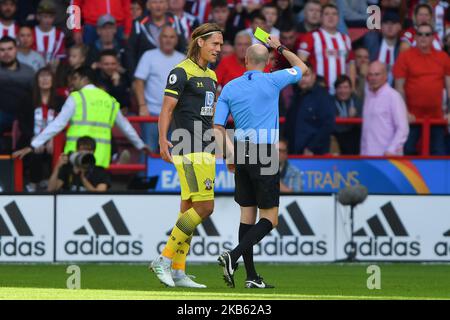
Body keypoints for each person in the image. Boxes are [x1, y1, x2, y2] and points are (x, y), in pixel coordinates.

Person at [214, 36, 308, 288]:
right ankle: (232, 257)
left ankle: (252, 277)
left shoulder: (230, 87)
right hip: (264, 151)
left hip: (240, 149)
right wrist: (279, 46)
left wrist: (230, 155)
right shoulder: (273, 79)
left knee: (247, 216)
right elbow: (303, 67)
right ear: (267, 63)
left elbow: (217, 128)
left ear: (245, 61)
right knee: (270, 219)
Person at [149, 23, 223, 288]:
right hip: (188, 144)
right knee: (205, 207)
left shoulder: (212, 76)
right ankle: (164, 259)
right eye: (215, 43)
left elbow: (209, 113)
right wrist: (162, 139)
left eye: (221, 45)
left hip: (205, 145)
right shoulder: (180, 72)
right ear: (200, 42)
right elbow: (166, 109)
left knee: (188, 208)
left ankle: (179, 269)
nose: (218, 49)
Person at [13, 66, 150, 168]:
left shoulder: (76, 97)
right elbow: (125, 126)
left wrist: (33, 145)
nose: (72, 82)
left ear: (84, 79)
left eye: (75, 78)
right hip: (102, 156)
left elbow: (58, 124)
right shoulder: (109, 99)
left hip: (76, 155)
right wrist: (141, 145)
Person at [394, 23, 450, 155]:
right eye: (420, 34)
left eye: (427, 34)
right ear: (415, 37)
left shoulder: (443, 57)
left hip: (437, 116)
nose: (423, 37)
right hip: (412, 117)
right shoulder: (404, 57)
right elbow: (399, 88)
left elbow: (449, 87)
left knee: (439, 153)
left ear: (432, 38)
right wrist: (405, 112)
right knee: (407, 152)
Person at [133, 25, 185, 153]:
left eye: (171, 37)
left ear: (176, 40)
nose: (168, 40)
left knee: (174, 153)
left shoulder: (183, 59)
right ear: (159, 39)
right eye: (165, 36)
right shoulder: (149, 56)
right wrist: (142, 105)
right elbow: (138, 82)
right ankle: (145, 175)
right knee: (148, 151)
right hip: (152, 113)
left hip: (175, 115)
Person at [298, 3, 356, 95]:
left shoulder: (346, 39)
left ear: (338, 18)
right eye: (327, 14)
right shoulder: (310, 37)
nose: (331, 17)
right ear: (320, 18)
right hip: (317, 91)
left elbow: (350, 65)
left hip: (341, 93)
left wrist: (351, 88)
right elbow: (301, 63)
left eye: (334, 14)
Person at [285, 62, 335, 155]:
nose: (303, 79)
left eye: (306, 75)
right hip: (294, 152)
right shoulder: (296, 96)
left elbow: (328, 125)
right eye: (300, 76)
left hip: (315, 154)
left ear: (314, 76)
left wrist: (311, 147)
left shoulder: (323, 96)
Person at [27, 66, 64, 192]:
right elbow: (23, 123)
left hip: (54, 138)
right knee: (34, 150)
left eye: (48, 76)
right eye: (41, 76)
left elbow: (62, 122)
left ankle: (50, 181)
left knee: (55, 149)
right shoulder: (28, 99)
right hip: (31, 136)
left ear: (53, 80)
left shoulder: (61, 100)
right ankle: (33, 182)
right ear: (36, 80)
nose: (45, 79)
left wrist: (53, 139)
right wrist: (34, 139)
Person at [361, 61, 409, 156]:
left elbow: (403, 128)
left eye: (377, 74)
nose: (373, 78)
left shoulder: (393, 96)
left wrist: (391, 150)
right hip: (368, 157)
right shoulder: (368, 96)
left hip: (389, 158)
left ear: (385, 76)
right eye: (370, 75)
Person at [127, 0, 187, 72]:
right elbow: (130, 52)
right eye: (154, 2)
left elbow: (183, 47)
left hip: (172, 70)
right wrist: (134, 77)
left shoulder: (175, 22)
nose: (158, 6)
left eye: (161, 2)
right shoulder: (138, 24)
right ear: (148, 5)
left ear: (167, 5)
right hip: (146, 73)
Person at [0, 36, 34, 153]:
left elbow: (36, 95)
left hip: (25, 116)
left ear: (16, 50)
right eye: (2, 50)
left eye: (9, 49)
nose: (6, 53)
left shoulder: (29, 72)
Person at [356, 10, 402, 85]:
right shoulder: (371, 38)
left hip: (393, 89)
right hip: (370, 86)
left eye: (393, 23)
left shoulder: (402, 47)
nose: (390, 27)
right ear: (381, 26)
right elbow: (352, 47)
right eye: (386, 23)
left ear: (399, 27)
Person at [332, 75, 362, 155]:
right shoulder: (330, 102)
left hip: (354, 140)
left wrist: (356, 116)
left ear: (351, 89)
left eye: (346, 87)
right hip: (337, 138)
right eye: (340, 87)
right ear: (335, 89)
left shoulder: (357, 101)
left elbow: (364, 125)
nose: (343, 91)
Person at [32, 0, 66, 67]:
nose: (48, 20)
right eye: (45, 17)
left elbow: (59, 57)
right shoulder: (31, 33)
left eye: (50, 17)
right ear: (38, 17)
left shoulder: (59, 35)